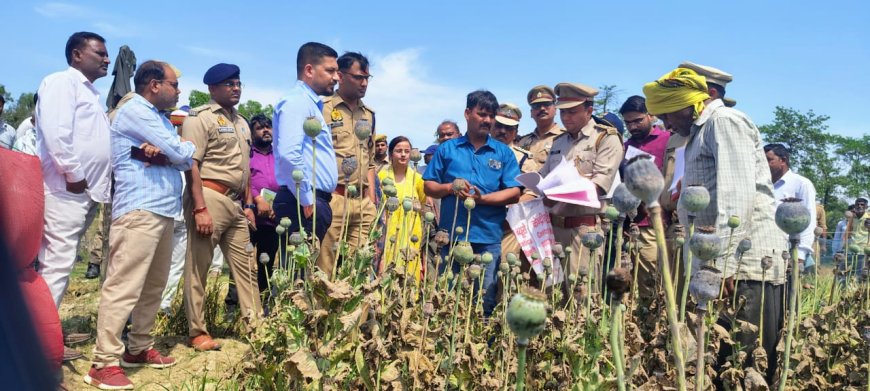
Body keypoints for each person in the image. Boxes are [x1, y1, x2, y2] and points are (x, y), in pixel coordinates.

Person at [643, 67, 787, 383]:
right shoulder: (697, 133)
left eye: (667, 113)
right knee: (720, 358)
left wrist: (722, 266)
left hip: (745, 265)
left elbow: (736, 199)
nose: (665, 123)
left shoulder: (724, 122)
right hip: (722, 263)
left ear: (691, 102)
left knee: (743, 360)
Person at [84, 60, 193, 390]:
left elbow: (183, 158)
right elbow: (182, 150)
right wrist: (173, 151)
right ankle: (103, 362)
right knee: (124, 286)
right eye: (174, 85)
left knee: (153, 285)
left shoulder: (157, 117)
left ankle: (138, 348)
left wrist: (171, 152)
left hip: (160, 209)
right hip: (139, 210)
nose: (179, 91)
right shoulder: (136, 110)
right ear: (154, 85)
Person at [36, 31, 112, 362]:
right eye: (100, 53)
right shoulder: (60, 83)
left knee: (61, 264)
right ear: (77, 55)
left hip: (84, 193)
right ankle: (38, 344)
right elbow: (56, 133)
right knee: (56, 264)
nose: (106, 59)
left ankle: (47, 333)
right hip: (66, 190)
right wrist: (75, 174)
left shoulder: (90, 93)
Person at [181, 63, 261, 351]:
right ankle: (197, 331)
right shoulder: (200, 118)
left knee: (247, 268)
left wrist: (249, 203)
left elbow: (245, 168)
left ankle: (256, 327)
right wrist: (200, 207)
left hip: (236, 203)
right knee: (198, 267)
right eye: (229, 84)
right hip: (209, 196)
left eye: (238, 83)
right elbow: (192, 163)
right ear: (212, 88)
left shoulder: (241, 122)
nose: (236, 88)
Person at [423, 90, 521, 316]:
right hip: (451, 238)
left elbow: (514, 192)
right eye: (482, 114)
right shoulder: (448, 149)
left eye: (491, 116)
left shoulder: (503, 152)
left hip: (487, 239)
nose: (487, 120)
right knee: (447, 298)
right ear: (468, 113)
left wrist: (482, 199)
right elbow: (429, 185)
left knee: (483, 301)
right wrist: (451, 187)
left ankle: (479, 348)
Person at [536, 83, 622, 298]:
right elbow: (543, 179)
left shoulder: (606, 138)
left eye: (572, 112)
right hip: (554, 231)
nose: (566, 118)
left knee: (582, 297)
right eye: (563, 112)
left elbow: (598, 185)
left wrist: (557, 197)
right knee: (553, 297)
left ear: (589, 110)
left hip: (584, 232)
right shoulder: (558, 142)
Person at [273, 42, 340, 251]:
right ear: (309, 70)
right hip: (301, 202)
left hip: (309, 201)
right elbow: (289, 154)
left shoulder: (311, 104)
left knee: (304, 273)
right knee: (296, 275)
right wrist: (307, 199)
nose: (336, 77)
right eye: (330, 70)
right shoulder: (297, 102)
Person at [318, 52, 378, 279]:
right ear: (340, 76)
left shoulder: (369, 115)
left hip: (362, 203)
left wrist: (371, 199)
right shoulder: (322, 108)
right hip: (334, 199)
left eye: (367, 78)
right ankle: (323, 315)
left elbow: (370, 161)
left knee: (359, 271)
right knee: (325, 269)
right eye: (358, 77)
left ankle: (358, 316)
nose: (364, 83)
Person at [618, 95, 671, 298]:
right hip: (630, 226)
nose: (632, 126)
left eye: (638, 120)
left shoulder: (668, 140)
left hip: (655, 223)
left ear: (652, 116)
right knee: (634, 283)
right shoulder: (625, 146)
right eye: (628, 122)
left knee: (652, 280)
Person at [379, 136, 427, 281]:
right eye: (399, 151)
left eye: (407, 151)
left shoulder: (418, 179)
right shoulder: (381, 177)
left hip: (411, 231)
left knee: (410, 269)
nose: (403, 154)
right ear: (390, 154)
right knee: (386, 268)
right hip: (387, 231)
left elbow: (423, 204)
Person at [764, 143, 817, 273]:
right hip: (766, 247)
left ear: (783, 160)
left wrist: (800, 254)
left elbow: (809, 220)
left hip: (791, 249)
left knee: (790, 290)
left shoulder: (801, 184)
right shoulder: (763, 185)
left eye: (769, 160)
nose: (764, 164)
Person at [247, 114, 281, 297]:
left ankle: (263, 301)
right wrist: (255, 198)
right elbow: (242, 179)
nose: (266, 130)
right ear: (252, 134)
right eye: (260, 128)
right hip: (250, 217)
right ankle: (234, 304)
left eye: (268, 127)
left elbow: (286, 182)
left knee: (266, 263)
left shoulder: (280, 154)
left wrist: (279, 206)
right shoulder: (247, 153)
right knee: (243, 262)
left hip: (272, 220)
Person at [516, 85, 564, 175]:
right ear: (531, 113)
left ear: (555, 109)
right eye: (536, 106)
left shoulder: (566, 138)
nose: (542, 109)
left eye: (547, 104)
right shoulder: (522, 142)